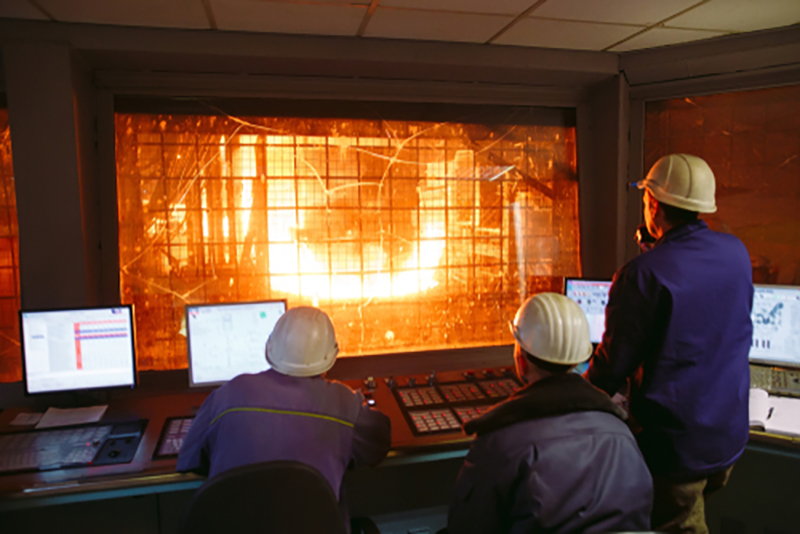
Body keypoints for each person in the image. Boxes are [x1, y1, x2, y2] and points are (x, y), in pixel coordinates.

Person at [585, 154, 753, 534]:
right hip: (727, 439)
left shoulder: (641, 275)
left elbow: (613, 366)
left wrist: (565, 396)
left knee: (677, 524)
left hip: (679, 452)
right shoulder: (737, 253)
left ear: (653, 205)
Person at [448, 293, 653, 534]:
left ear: (521, 362)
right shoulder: (622, 433)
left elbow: (468, 527)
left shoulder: (499, 444)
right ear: (580, 359)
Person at [177, 306, 391, 528]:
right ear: (331, 356)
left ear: (269, 348)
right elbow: (379, 444)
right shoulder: (346, 404)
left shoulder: (227, 395)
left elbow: (192, 459)